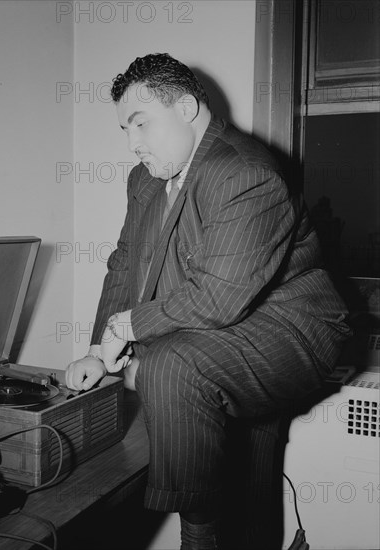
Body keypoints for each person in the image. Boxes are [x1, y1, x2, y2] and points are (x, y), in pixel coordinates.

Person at [65, 53, 351, 550]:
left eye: (141, 124)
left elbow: (216, 298)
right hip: (223, 341)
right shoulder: (144, 181)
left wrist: (128, 329)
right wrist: (96, 350)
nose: (133, 145)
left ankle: (198, 537)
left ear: (188, 109)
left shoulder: (245, 172)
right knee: (252, 484)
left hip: (292, 332)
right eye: (124, 130)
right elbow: (125, 262)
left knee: (170, 367)